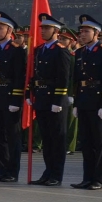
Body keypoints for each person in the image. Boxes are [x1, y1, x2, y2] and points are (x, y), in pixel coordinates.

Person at [72, 14, 102, 189]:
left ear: (96, 33)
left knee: (99, 142)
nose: (82, 34)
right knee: (87, 142)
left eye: (86, 31)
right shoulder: (81, 52)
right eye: (81, 31)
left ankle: (99, 179)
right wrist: (76, 103)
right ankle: (87, 177)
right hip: (84, 102)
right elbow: (78, 80)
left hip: (98, 103)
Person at [29, 13, 73, 185]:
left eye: (46, 28)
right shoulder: (40, 50)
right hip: (41, 98)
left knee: (57, 139)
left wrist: (58, 100)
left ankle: (56, 174)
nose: (43, 31)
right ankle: (47, 172)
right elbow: (34, 75)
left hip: (55, 101)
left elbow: (64, 78)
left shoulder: (61, 51)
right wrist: (29, 93)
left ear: (56, 31)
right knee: (47, 139)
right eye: (42, 28)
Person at [0, 12, 26, 182]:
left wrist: (16, 100)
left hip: (10, 99)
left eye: (0, 28)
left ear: (9, 31)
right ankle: (1, 170)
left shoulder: (16, 50)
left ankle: (12, 172)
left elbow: (20, 76)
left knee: (12, 137)